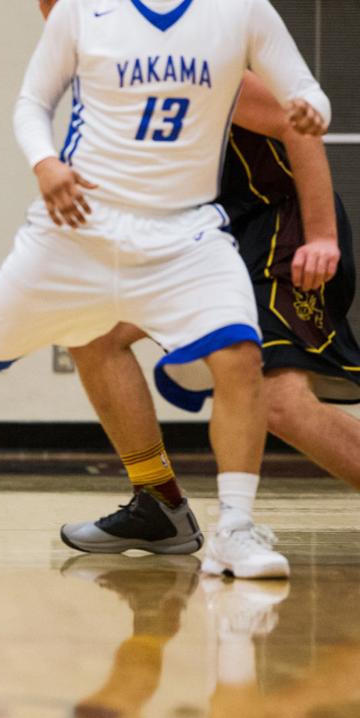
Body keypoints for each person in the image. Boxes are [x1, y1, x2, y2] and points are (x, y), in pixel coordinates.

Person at [0, 0, 329, 579]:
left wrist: (312, 109)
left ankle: (235, 530)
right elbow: (31, 104)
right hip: (78, 229)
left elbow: (304, 93)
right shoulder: (83, 12)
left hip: (184, 231)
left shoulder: (240, 11)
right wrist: (45, 164)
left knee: (240, 356)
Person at [60, 72, 360, 554]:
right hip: (212, 231)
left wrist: (322, 236)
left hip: (278, 224)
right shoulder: (111, 69)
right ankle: (158, 505)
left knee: (279, 402)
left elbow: (300, 126)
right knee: (92, 331)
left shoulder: (199, 55)